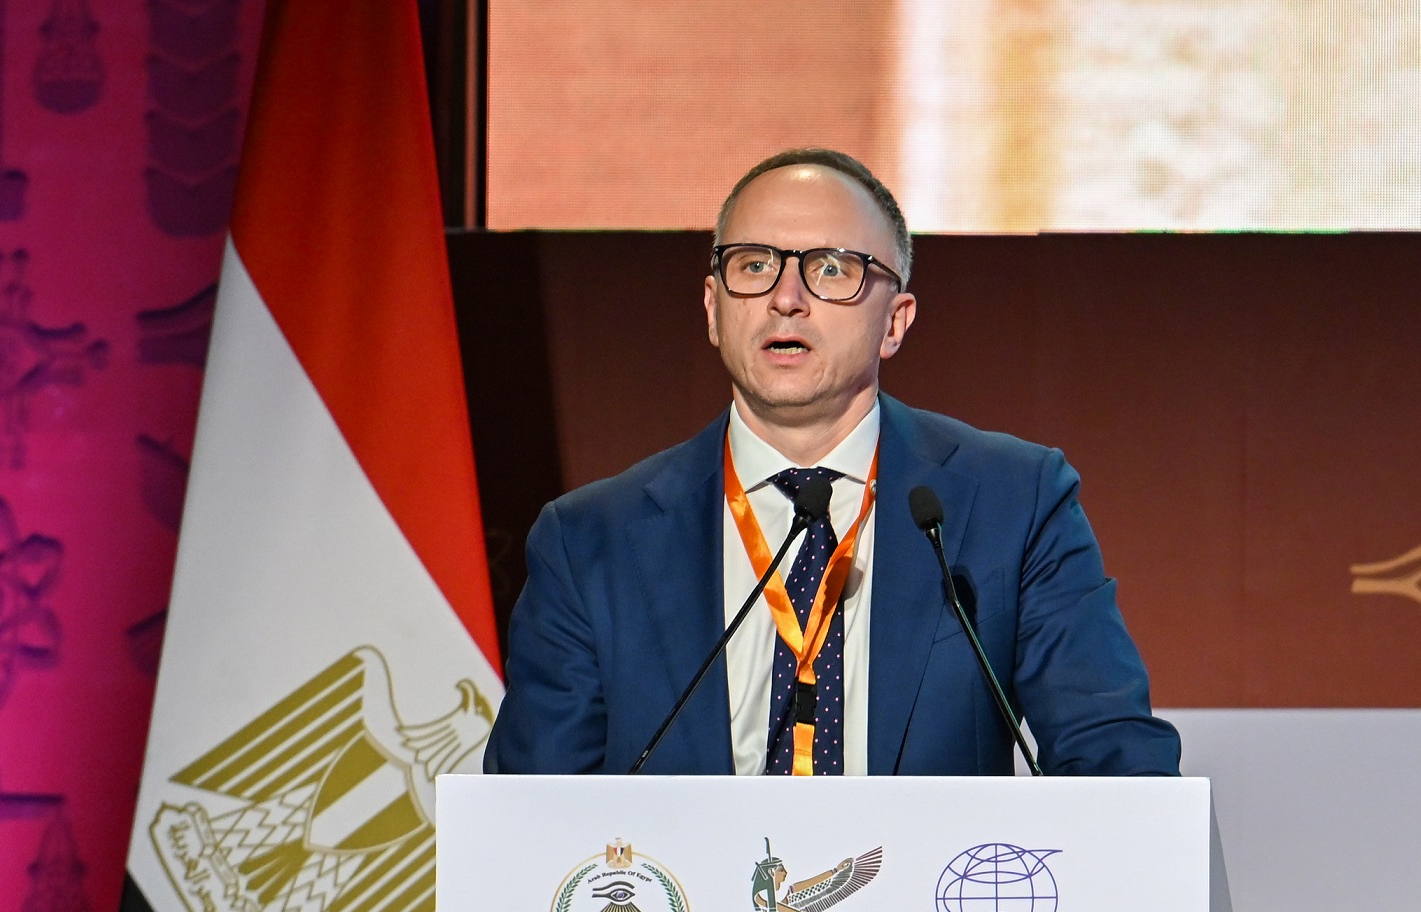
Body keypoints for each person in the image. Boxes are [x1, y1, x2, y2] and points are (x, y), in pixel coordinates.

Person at [484, 147, 1179, 777]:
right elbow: (528, 814)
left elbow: (1116, 761)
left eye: (830, 269)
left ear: (895, 321)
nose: (785, 299)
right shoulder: (590, 541)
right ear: (713, 309)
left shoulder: (1014, 504)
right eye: (753, 265)